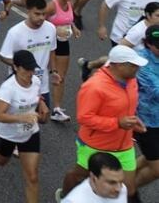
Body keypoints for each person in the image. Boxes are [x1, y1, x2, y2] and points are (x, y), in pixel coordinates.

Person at [59, 46, 147, 202]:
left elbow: (127, 105)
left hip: (124, 144)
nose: (137, 68)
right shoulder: (94, 87)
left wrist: (133, 119)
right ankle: (65, 196)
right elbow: (84, 118)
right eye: (133, 65)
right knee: (78, 176)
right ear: (119, 65)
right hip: (96, 145)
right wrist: (117, 123)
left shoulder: (131, 79)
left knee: (129, 188)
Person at [0, 50, 49, 203]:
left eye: (32, 69)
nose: (30, 72)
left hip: (30, 132)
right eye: (26, 69)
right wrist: (22, 118)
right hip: (6, 134)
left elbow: (37, 95)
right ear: (15, 67)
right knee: (1, 160)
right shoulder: (8, 88)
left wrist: (42, 104)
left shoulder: (35, 81)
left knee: (32, 177)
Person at [0, 0, 59, 105]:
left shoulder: (51, 28)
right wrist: (22, 66)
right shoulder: (15, 32)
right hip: (20, 84)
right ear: (28, 11)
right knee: (17, 117)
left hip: (42, 85)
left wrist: (54, 71)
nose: (41, 17)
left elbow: (51, 50)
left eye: (43, 14)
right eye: (37, 14)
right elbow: (3, 56)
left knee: (42, 118)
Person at [46, 0, 80, 122]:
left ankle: (57, 109)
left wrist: (74, 27)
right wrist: (54, 30)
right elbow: (38, 19)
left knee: (61, 76)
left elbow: (69, 19)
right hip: (49, 44)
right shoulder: (52, 6)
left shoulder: (69, 4)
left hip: (63, 43)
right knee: (42, 74)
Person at [131, 25, 159, 195]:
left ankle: (119, 182)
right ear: (148, 44)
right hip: (146, 122)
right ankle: (125, 191)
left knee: (150, 158)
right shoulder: (141, 62)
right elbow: (156, 90)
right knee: (156, 170)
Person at [61, 152, 128, 202]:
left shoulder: (122, 189)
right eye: (111, 182)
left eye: (121, 181)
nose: (119, 189)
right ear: (93, 178)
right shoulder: (74, 201)